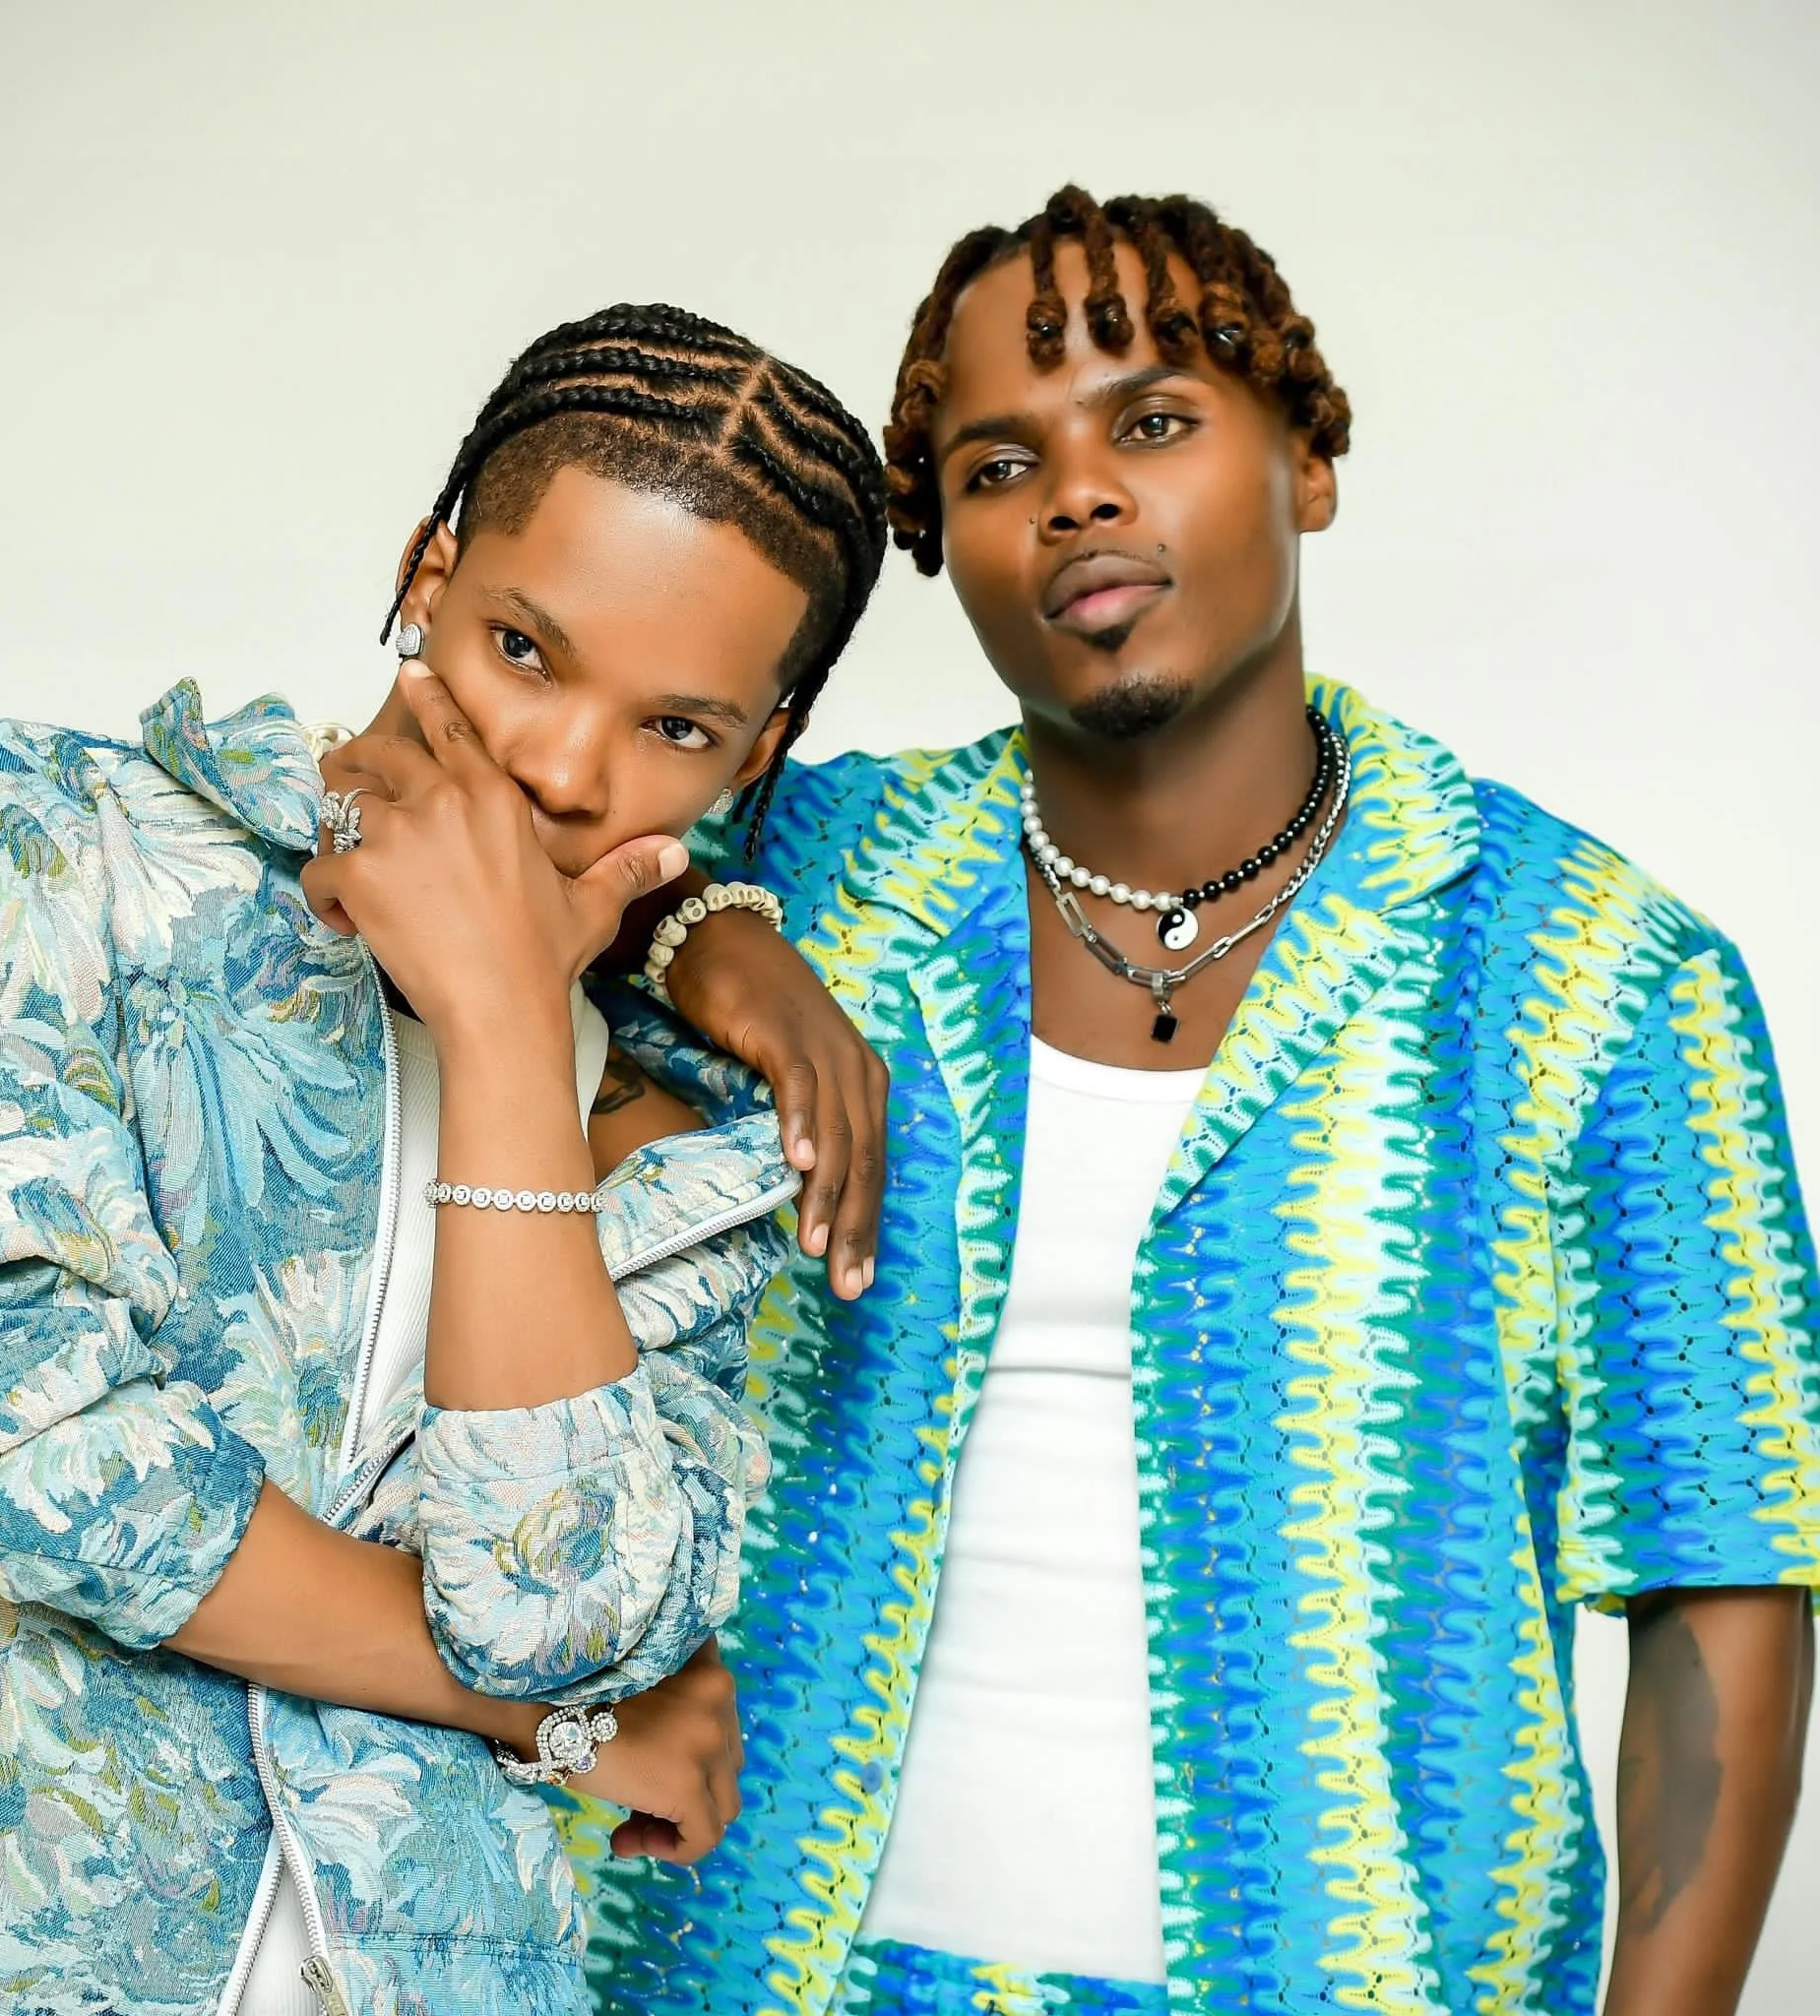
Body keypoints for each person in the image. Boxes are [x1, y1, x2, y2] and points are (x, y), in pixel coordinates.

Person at [574, 191, 1820, 2016]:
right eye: (1000, 466)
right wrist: (712, 941)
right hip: (740, 1968)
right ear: (942, 544)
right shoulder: (812, 874)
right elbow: (457, 815)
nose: (1078, 495)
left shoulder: (1604, 980)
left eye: (1152, 422)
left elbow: (1725, 1575)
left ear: (1306, 461)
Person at [0, 304, 895, 2016]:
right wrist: (540, 1724)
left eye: (676, 729)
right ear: (425, 573)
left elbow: (566, 1624)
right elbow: (37, 1463)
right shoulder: (22, 848)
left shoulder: (685, 1153)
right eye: (524, 647)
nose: (561, 768)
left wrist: (511, 1039)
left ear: (755, 756)